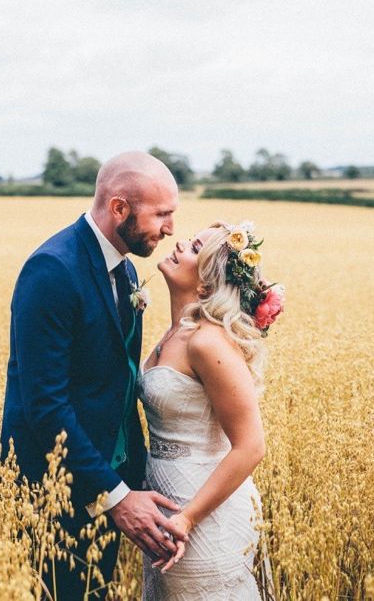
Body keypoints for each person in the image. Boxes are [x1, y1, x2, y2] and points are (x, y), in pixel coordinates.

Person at [0, 151, 189, 600]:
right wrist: (117, 497)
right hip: (52, 493)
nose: (170, 228)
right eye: (161, 214)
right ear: (119, 208)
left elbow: (117, 386)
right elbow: (45, 405)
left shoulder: (124, 268)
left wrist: (134, 481)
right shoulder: (52, 269)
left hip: (103, 480)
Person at [138, 221, 284, 599]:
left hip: (203, 512)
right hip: (167, 504)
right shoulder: (173, 333)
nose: (180, 242)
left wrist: (187, 517)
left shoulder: (208, 342)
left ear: (206, 283)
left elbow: (251, 446)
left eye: (193, 246)